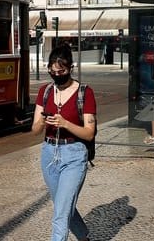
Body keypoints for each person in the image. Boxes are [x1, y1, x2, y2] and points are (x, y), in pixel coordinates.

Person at [32, 44, 96, 241]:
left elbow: (89, 133)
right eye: (52, 71)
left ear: (71, 68)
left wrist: (65, 123)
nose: (57, 75)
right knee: (62, 203)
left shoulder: (84, 93)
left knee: (60, 212)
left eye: (61, 71)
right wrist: (43, 120)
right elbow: (35, 130)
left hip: (74, 155)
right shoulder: (45, 91)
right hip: (49, 154)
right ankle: (83, 236)